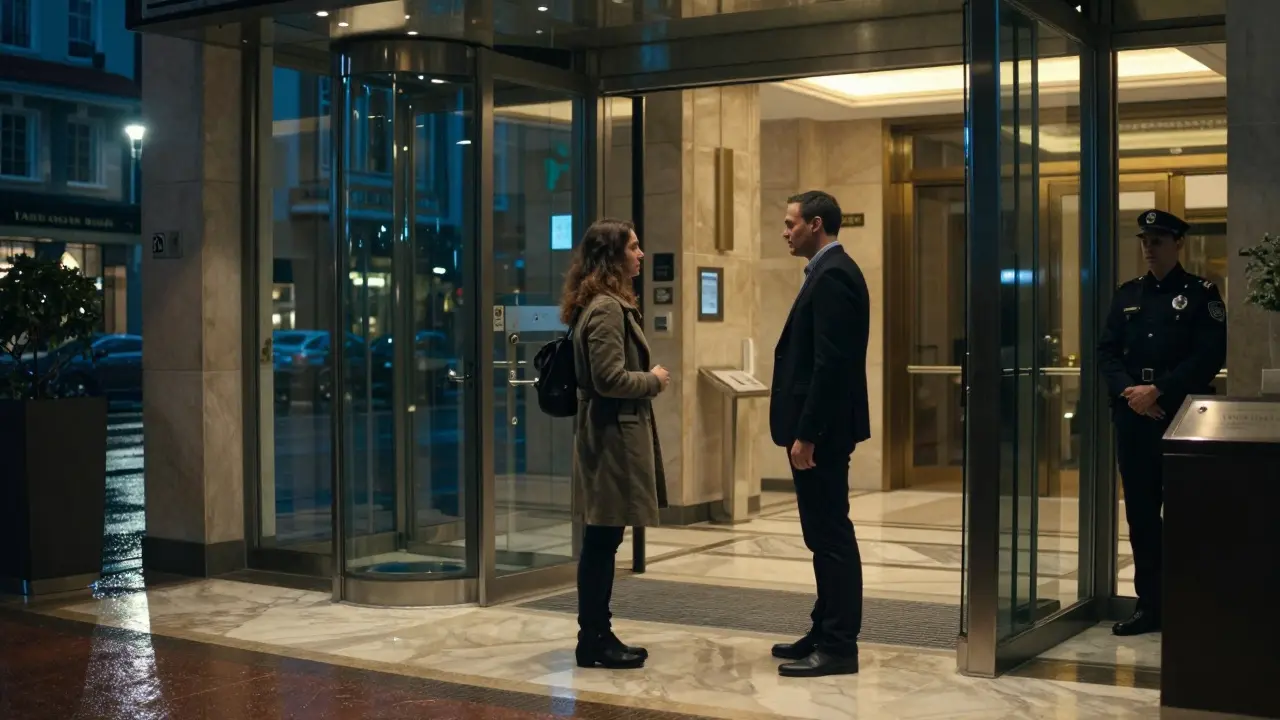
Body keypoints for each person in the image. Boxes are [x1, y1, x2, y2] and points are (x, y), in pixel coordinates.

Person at [1097, 208, 1227, 637]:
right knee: (1141, 514)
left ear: (1177, 244)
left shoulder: (1201, 293)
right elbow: (1107, 352)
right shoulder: (1127, 293)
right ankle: (1149, 606)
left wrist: (1159, 391)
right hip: (1136, 419)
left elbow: (1208, 357)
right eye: (1144, 241)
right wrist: (1131, 393)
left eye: (1157, 241)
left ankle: (1192, 603)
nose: (1148, 249)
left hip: (1183, 416)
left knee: (1189, 513)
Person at [559, 218, 671, 669]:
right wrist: (654, 380)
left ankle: (598, 634)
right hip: (610, 441)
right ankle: (595, 638)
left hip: (609, 436)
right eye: (634, 247)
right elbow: (608, 378)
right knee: (602, 541)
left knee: (604, 539)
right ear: (613, 257)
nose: (641, 255)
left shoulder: (604, 303)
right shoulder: (606, 308)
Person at [768, 190, 870, 678]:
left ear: (815, 224)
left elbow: (832, 365)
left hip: (823, 433)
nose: (785, 232)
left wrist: (808, 433)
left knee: (830, 536)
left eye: (790, 224)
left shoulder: (832, 276)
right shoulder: (826, 273)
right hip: (821, 429)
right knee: (822, 534)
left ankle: (838, 645)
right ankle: (823, 628)